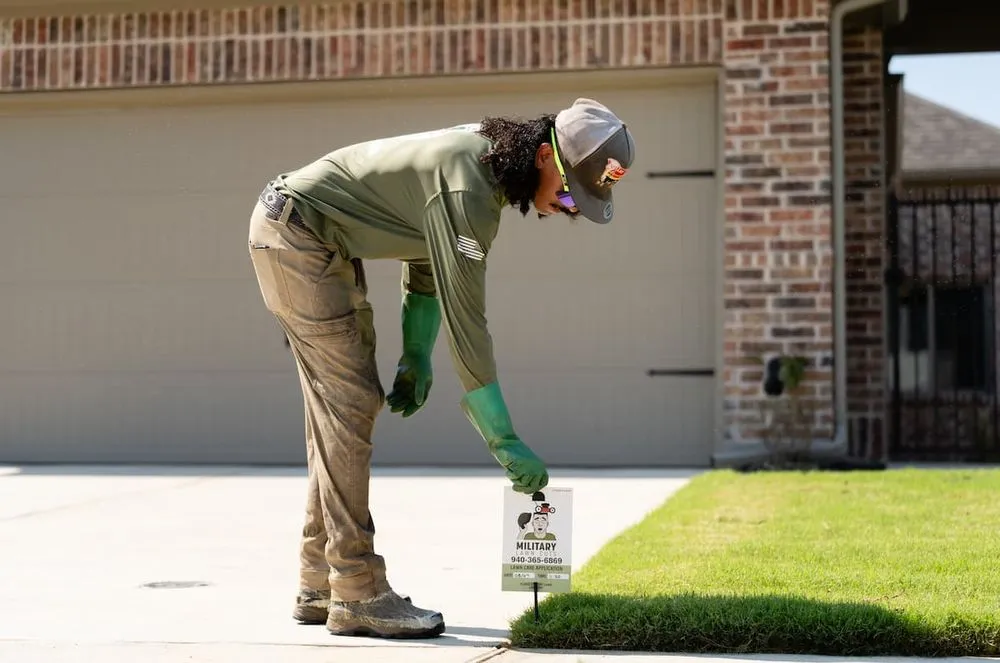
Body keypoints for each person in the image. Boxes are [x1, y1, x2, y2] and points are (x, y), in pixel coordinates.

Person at [246, 98, 635, 640]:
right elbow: (468, 323)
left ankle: (320, 583)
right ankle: (357, 591)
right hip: (299, 237)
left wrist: (416, 354)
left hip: (311, 237)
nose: (570, 208)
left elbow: (426, 253)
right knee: (350, 403)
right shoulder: (471, 188)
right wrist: (503, 438)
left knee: (341, 408)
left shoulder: (487, 165)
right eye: (572, 193)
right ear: (546, 155)